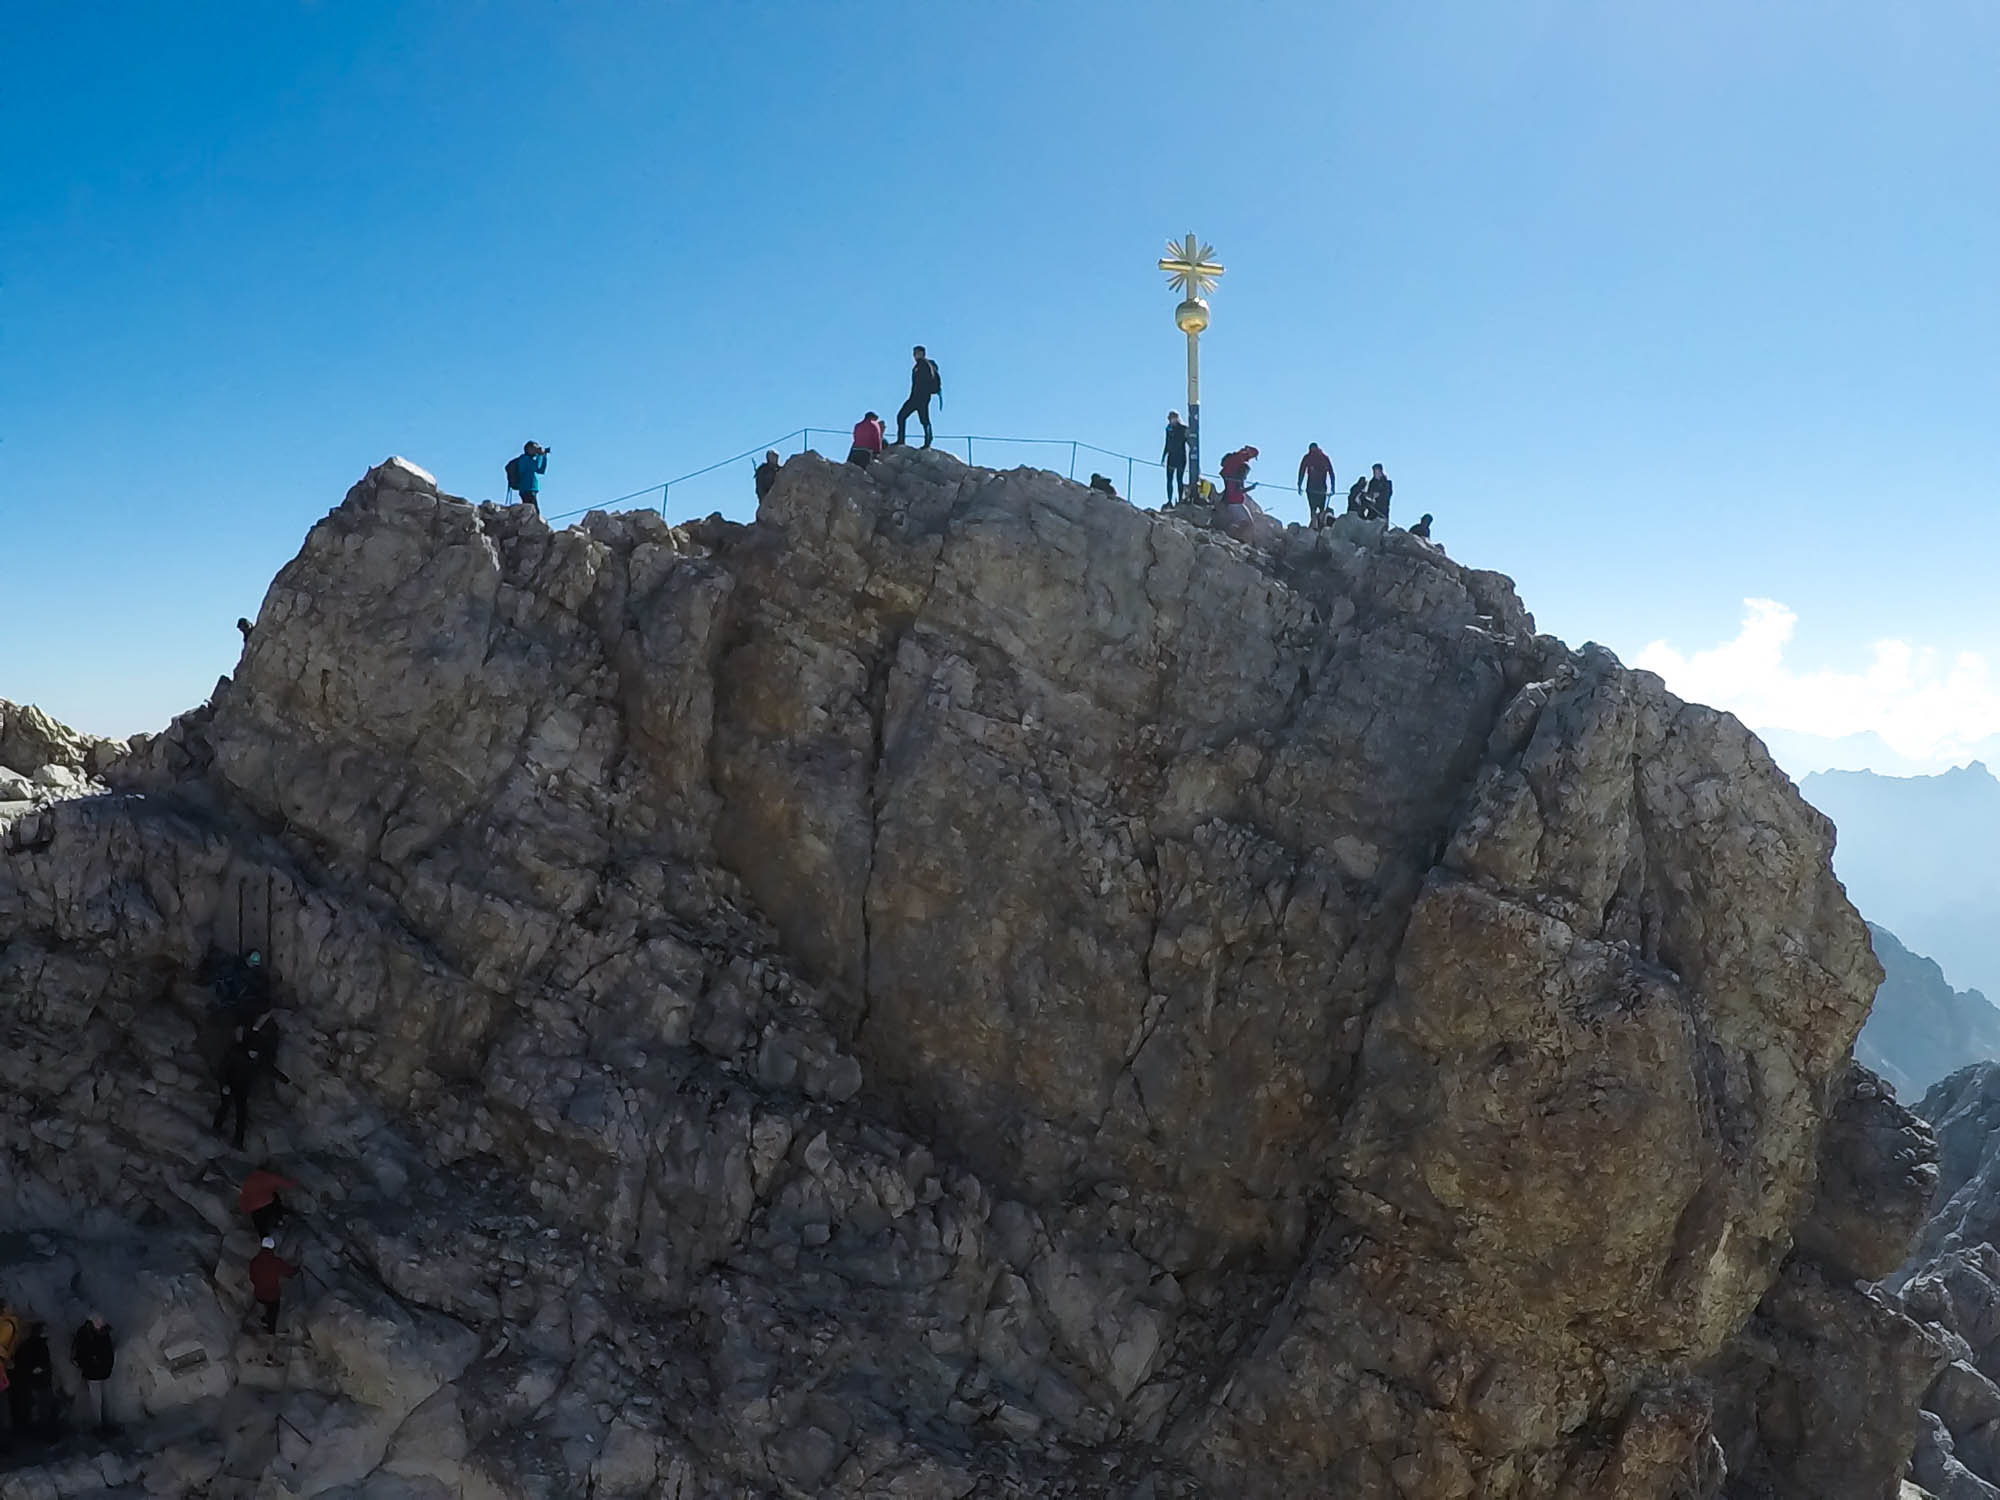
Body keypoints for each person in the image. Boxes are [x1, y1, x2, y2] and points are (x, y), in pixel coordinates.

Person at [213, 1026, 288, 1151]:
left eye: (256, 1053)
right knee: (225, 1105)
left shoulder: (258, 1059)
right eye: (252, 1052)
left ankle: (238, 1141)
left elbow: (268, 1069)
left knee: (242, 1113)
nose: (254, 1055)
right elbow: (223, 1070)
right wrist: (224, 1084)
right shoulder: (236, 1053)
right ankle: (216, 1128)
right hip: (230, 1083)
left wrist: (286, 1080)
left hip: (243, 1086)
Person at [70, 1316, 114, 1433]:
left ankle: (104, 1422)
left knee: (101, 1398)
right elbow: (84, 1353)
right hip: (95, 1372)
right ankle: (98, 1423)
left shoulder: (93, 1334)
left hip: (100, 1372)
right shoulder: (87, 1335)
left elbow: (107, 1353)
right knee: (97, 1399)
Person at [895, 346, 942, 447]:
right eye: (914, 353)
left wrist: (921, 392)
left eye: (916, 353)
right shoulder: (920, 365)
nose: (914, 355)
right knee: (923, 419)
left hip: (920, 397)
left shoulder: (923, 364)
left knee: (903, 416)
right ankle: (926, 441)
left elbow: (925, 381)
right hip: (919, 397)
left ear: (922, 353)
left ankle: (903, 440)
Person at [249, 1239, 297, 1334]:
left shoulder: (254, 1261)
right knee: (274, 1307)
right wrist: (295, 1270)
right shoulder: (276, 1262)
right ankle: (271, 1330)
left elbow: (252, 1278)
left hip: (259, 1294)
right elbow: (288, 1271)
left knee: (266, 1302)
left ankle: (265, 1318)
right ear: (272, 1248)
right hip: (272, 1295)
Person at [10, 1323, 50, 1438]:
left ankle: (34, 1430)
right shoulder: (38, 1345)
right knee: (39, 1408)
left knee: (35, 1408)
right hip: (38, 1383)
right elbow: (42, 1363)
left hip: (32, 1382)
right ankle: (40, 1432)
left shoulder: (26, 1345)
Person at [239, 1166, 300, 1237]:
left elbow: (243, 1197)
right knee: (275, 1197)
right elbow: (285, 1183)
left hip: (254, 1210)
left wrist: (244, 1211)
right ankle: (279, 1220)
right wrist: (296, 1183)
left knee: (262, 1230)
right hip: (267, 1205)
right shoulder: (268, 1176)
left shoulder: (249, 1180)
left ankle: (263, 1240)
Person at [1296, 444, 1335, 529]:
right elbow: (1301, 471)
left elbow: (1331, 473)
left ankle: (1317, 525)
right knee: (1315, 508)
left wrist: (1333, 487)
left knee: (1317, 509)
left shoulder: (1317, 458)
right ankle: (1317, 525)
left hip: (1317, 488)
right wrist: (1299, 484)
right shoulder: (1319, 457)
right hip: (1315, 488)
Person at [505, 442, 550, 508]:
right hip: (527, 489)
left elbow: (541, 470)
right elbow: (536, 466)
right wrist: (540, 455)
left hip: (531, 490)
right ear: (529, 449)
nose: (537, 450)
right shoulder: (524, 459)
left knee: (533, 512)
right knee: (532, 512)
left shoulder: (530, 460)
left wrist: (544, 456)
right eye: (535, 448)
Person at [1162, 412, 1189, 504]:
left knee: (1179, 479)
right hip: (1171, 456)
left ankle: (1180, 499)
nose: (1171, 420)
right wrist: (1164, 456)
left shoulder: (1183, 428)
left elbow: (1189, 442)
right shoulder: (1168, 429)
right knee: (1169, 479)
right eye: (1170, 418)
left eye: (1173, 418)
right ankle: (1169, 500)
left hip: (1181, 456)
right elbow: (1167, 443)